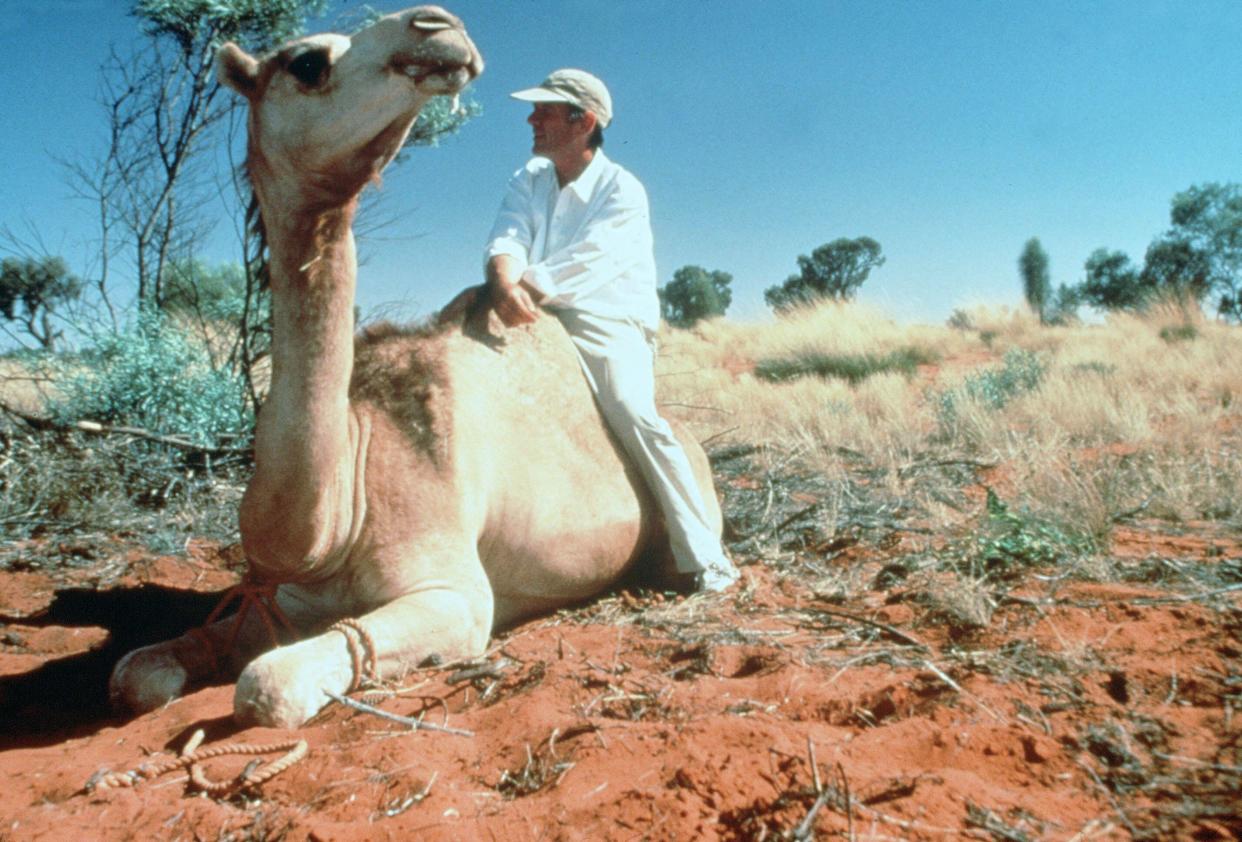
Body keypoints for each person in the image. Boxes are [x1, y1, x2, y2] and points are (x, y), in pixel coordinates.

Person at [482, 68, 739, 593]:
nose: (531, 118)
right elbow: (508, 233)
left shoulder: (623, 190)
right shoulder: (528, 178)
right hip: (534, 303)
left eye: (546, 110)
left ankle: (705, 557)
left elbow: (591, 260)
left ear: (585, 122)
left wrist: (523, 288)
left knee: (629, 408)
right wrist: (502, 281)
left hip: (608, 317)